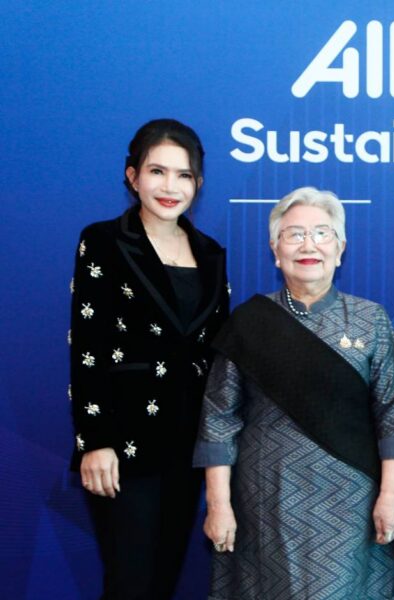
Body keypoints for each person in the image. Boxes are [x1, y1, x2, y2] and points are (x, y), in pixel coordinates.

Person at [193, 186, 394, 599]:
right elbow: (219, 418)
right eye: (294, 234)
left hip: (353, 502)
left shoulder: (370, 320)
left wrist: (391, 495)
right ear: (275, 250)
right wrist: (219, 504)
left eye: (321, 233)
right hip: (265, 499)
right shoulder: (249, 322)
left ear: (340, 248)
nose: (308, 245)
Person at [69, 118, 230, 598]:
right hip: (123, 445)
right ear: (132, 176)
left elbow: (218, 352)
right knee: (130, 583)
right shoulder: (103, 241)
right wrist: (95, 441)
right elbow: (88, 344)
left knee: (162, 582)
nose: (169, 187)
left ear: (198, 184)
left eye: (184, 175)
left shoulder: (211, 253)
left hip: (188, 442)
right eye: (157, 171)